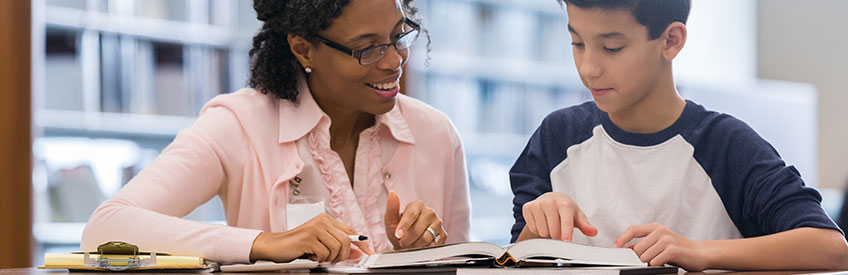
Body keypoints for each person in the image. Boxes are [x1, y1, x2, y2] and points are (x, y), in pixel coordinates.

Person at [82, 0, 470, 264]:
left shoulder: (437, 134)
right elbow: (106, 228)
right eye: (366, 48)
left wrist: (422, 255)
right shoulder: (238, 125)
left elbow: (468, 262)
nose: (394, 61)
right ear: (303, 50)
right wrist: (262, 243)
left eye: (400, 36)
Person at [509, 0, 848, 271]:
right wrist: (537, 226)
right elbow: (510, 261)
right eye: (577, 43)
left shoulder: (725, 144)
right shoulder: (557, 137)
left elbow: (830, 247)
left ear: (671, 41)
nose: (588, 68)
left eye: (611, 47)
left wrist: (699, 251)